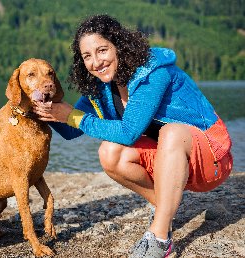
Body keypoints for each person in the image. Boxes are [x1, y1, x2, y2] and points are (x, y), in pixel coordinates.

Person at [34, 14, 233, 258]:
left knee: (171, 133)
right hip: (170, 164)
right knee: (109, 152)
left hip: (211, 160)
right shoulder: (101, 88)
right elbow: (69, 128)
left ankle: (160, 238)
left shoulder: (153, 73)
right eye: (87, 56)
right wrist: (44, 106)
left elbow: (128, 133)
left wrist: (73, 116)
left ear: (118, 45)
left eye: (102, 50)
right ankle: (165, 211)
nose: (96, 62)